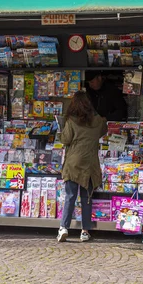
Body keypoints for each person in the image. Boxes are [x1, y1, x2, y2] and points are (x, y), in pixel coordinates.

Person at [57, 91, 107, 243]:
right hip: (90, 163)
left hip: (73, 163)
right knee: (87, 197)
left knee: (70, 196)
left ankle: (64, 228)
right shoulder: (97, 121)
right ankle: (85, 231)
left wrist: (60, 129)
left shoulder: (71, 121)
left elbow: (65, 139)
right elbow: (103, 130)